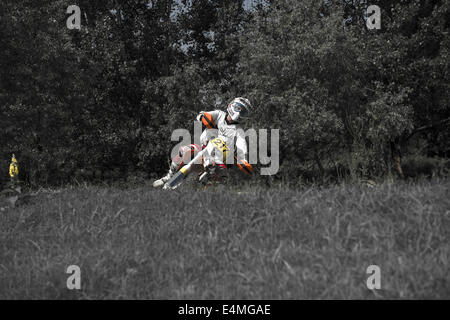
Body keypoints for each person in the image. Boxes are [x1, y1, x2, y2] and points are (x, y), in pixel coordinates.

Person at [152, 97, 253, 188]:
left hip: (219, 158)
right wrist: (203, 117)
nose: (239, 113)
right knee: (185, 150)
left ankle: (210, 186)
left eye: (243, 112)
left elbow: (242, 146)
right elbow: (202, 114)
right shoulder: (219, 115)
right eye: (238, 109)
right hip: (203, 149)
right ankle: (168, 176)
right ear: (232, 105)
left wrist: (243, 161)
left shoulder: (239, 131)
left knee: (219, 174)